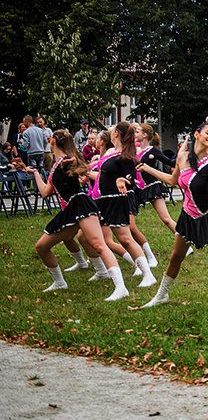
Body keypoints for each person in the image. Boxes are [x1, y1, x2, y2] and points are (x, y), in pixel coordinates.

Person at [140, 123, 208, 313]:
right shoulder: (182, 157)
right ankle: (161, 295)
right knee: (175, 257)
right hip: (188, 216)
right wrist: (147, 168)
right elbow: (172, 181)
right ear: (197, 134)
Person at [24, 130, 129, 300]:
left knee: (99, 245)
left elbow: (80, 169)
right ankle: (60, 282)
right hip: (69, 211)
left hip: (81, 205)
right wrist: (35, 173)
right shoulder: (56, 165)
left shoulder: (67, 160)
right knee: (42, 246)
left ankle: (121, 287)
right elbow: (45, 192)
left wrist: (73, 166)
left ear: (53, 143)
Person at [91, 122, 157, 287]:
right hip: (103, 201)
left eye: (113, 131)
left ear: (116, 134)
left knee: (126, 240)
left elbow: (132, 180)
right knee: (97, 238)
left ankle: (147, 274)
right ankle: (107, 272)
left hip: (116, 201)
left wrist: (122, 180)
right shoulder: (111, 152)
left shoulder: (125, 156)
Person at [134, 124, 177, 235]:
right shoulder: (135, 150)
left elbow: (170, 162)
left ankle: (184, 239)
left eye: (137, 132)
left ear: (144, 135)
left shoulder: (152, 150)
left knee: (166, 219)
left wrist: (182, 155)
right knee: (129, 222)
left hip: (152, 186)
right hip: (138, 188)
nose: (135, 134)